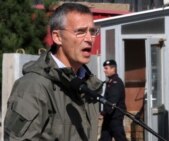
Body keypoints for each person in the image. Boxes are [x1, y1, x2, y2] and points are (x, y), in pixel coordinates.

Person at [4, 3, 103, 141]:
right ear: (57, 37)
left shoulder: (88, 86)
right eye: (80, 31)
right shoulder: (33, 87)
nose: (89, 39)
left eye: (92, 32)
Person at [99, 60, 127, 141]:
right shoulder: (110, 81)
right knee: (104, 138)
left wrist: (106, 111)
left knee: (120, 138)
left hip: (115, 117)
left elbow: (112, 100)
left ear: (113, 69)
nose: (104, 70)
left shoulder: (116, 82)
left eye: (106, 68)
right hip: (109, 117)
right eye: (104, 68)